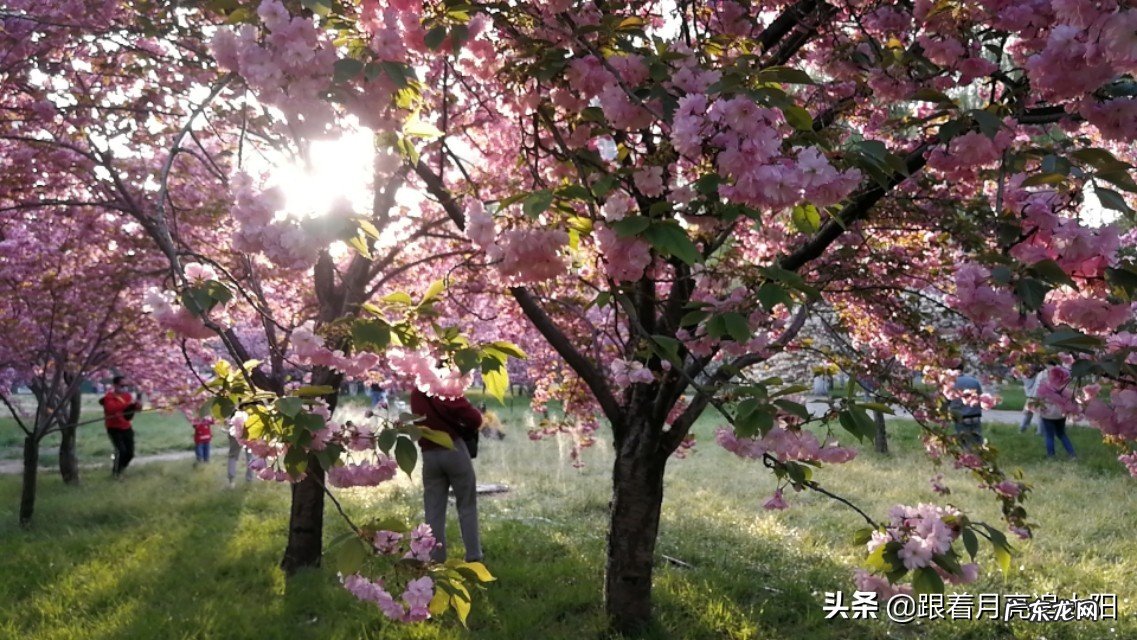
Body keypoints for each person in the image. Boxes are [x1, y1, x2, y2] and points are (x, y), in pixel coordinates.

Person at [410, 386, 483, 563]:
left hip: (429, 455)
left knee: (433, 509)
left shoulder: (416, 393)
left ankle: (435, 558)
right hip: (454, 450)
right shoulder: (444, 388)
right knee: (466, 504)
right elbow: (474, 419)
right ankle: (473, 556)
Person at [99, 375, 142, 477]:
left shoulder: (127, 396)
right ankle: (116, 473)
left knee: (130, 453)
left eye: (126, 385)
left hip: (126, 427)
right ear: (115, 385)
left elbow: (132, 412)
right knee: (121, 451)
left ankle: (120, 470)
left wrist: (137, 405)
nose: (124, 387)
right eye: (122, 385)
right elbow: (111, 408)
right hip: (114, 428)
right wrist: (128, 405)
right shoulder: (109, 397)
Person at [1032, 363, 1077, 459]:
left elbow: (1038, 397)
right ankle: (1072, 454)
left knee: (1049, 435)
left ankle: (1051, 455)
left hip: (1047, 413)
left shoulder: (1044, 384)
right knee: (1062, 434)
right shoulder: (1062, 385)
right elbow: (1068, 396)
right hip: (1060, 413)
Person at [949, 370, 984, 449]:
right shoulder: (974, 381)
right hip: (975, 415)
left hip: (960, 416)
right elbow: (980, 397)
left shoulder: (951, 383)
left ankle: (968, 456)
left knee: (964, 441)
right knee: (977, 440)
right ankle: (980, 456)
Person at [1019, 366, 1042, 434]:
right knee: (1039, 416)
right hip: (1035, 397)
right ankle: (1039, 432)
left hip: (1030, 398)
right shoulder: (1036, 376)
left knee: (1028, 415)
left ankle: (1022, 429)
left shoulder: (1024, 376)